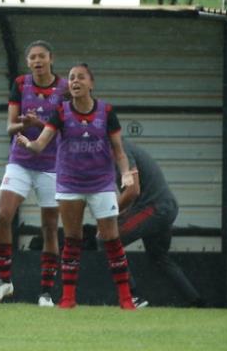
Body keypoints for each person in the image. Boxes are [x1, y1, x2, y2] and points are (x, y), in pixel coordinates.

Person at [15, 63, 137, 310]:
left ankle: (125, 298)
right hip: (70, 183)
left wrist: (125, 174)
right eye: (71, 78)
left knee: (112, 240)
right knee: (72, 239)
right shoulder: (60, 112)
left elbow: (119, 151)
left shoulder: (107, 111)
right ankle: (68, 298)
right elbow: (41, 144)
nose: (75, 81)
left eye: (81, 77)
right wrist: (29, 144)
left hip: (101, 183)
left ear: (91, 83)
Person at [0, 40, 67, 306]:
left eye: (41, 56)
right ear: (28, 61)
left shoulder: (64, 88)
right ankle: (4, 281)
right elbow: (9, 126)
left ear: (51, 58)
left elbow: (68, 127)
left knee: (49, 228)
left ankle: (45, 292)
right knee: (2, 215)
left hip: (52, 165)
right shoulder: (21, 84)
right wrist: (21, 123)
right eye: (32, 57)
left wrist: (40, 123)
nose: (37, 61)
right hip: (20, 160)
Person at [115, 139, 204, 308]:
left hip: (154, 208)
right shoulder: (121, 149)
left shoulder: (121, 151)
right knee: (159, 257)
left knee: (108, 240)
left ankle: (133, 296)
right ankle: (196, 302)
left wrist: (111, 215)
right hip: (165, 206)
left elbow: (133, 191)